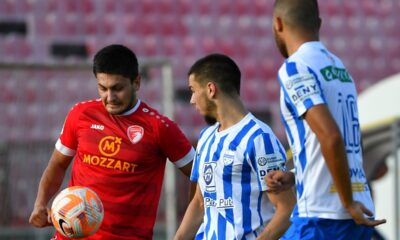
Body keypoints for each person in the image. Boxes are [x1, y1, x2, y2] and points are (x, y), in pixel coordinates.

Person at [29, 44, 195, 239]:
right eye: (103, 88)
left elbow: (200, 175)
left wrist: (188, 229)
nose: (110, 97)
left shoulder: (159, 128)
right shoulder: (81, 114)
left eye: (117, 88)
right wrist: (40, 203)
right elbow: (57, 164)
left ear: (137, 82)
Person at [265, 0, 386, 239]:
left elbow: (330, 136)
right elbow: (346, 142)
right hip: (356, 210)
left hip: (323, 215)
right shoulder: (339, 68)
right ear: (318, 24)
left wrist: (347, 201)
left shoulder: (296, 68)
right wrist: (296, 174)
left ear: (278, 23)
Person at [174, 53, 296, 240]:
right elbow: (200, 203)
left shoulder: (259, 138)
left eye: (193, 90)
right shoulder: (206, 137)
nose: (191, 100)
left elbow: (287, 210)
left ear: (211, 89)